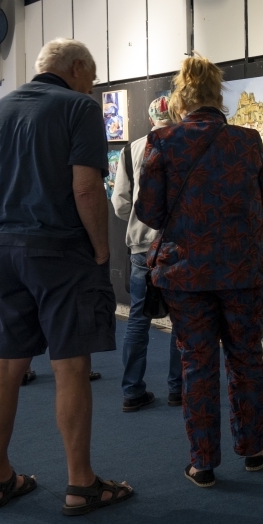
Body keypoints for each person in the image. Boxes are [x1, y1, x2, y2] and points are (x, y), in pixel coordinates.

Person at [0, 38, 132, 514]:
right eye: (92, 77)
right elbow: (86, 188)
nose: (93, 86)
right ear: (77, 68)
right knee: (71, 365)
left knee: (7, 365)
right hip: (61, 251)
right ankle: (82, 484)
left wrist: (0, 236)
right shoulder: (79, 108)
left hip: (4, 251)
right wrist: (101, 249)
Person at [136, 55, 263, 488]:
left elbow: (150, 213)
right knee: (246, 359)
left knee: (196, 364)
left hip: (187, 275)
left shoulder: (162, 142)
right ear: (219, 96)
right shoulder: (248, 140)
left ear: (180, 99)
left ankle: (203, 463)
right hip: (242, 271)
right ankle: (252, 450)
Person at [112, 95, 182, 412]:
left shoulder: (131, 150)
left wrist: (139, 219)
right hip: (179, 245)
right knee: (182, 320)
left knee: (138, 320)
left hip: (142, 246)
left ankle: (132, 391)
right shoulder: (185, 146)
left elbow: (120, 203)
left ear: (151, 118)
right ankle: (178, 389)